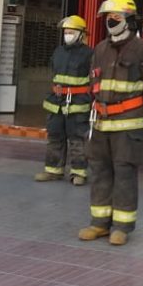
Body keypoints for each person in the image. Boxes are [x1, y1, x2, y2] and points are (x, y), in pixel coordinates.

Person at [78, 0, 143, 246]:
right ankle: (99, 223)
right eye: (108, 17)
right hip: (100, 123)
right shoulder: (100, 49)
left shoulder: (141, 49)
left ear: (128, 19)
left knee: (124, 174)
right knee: (100, 172)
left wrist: (137, 106)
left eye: (115, 17)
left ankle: (122, 227)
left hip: (128, 125)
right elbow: (92, 81)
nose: (110, 21)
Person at [36, 15, 94, 185]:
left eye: (71, 32)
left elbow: (94, 79)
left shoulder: (89, 54)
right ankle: (53, 170)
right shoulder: (58, 52)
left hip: (78, 102)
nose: (67, 35)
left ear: (81, 34)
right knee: (54, 136)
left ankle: (79, 173)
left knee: (77, 139)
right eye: (66, 32)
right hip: (56, 102)